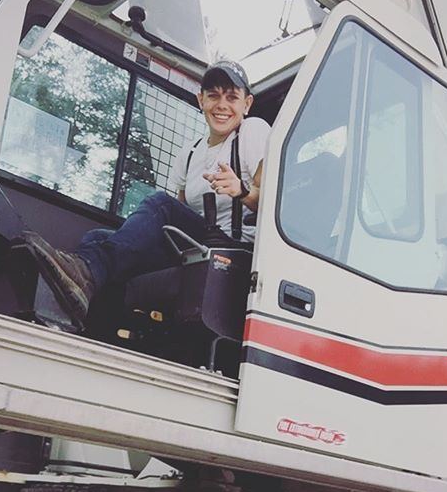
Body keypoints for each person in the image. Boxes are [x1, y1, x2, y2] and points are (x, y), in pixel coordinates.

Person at [24, 60, 271, 328]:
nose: (222, 105)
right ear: (201, 100)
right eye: (213, 96)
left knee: (159, 206)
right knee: (96, 238)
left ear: (246, 104)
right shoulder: (190, 153)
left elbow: (271, 205)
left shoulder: (253, 132)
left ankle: (86, 273)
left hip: (229, 249)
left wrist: (241, 189)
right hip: (194, 245)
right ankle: (80, 316)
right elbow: (180, 212)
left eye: (232, 97)